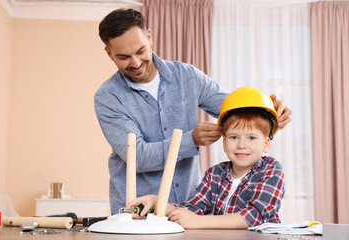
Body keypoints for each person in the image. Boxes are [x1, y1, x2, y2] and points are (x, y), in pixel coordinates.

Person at [95, 8, 291, 214]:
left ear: (149, 37)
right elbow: (138, 156)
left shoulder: (187, 76)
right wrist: (192, 140)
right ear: (109, 53)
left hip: (189, 208)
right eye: (124, 57)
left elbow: (235, 110)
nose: (135, 63)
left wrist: (269, 109)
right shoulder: (108, 98)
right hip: (136, 211)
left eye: (141, 51)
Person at [128, 87, 285, 229]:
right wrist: (157, 202)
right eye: (234, 137)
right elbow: (191, 209)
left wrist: (198, 221)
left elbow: (256, 216)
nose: (241, 145)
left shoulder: (271, 170)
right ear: (224, 143)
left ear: (265, 145)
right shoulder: (215, 174)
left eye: (251, 138)